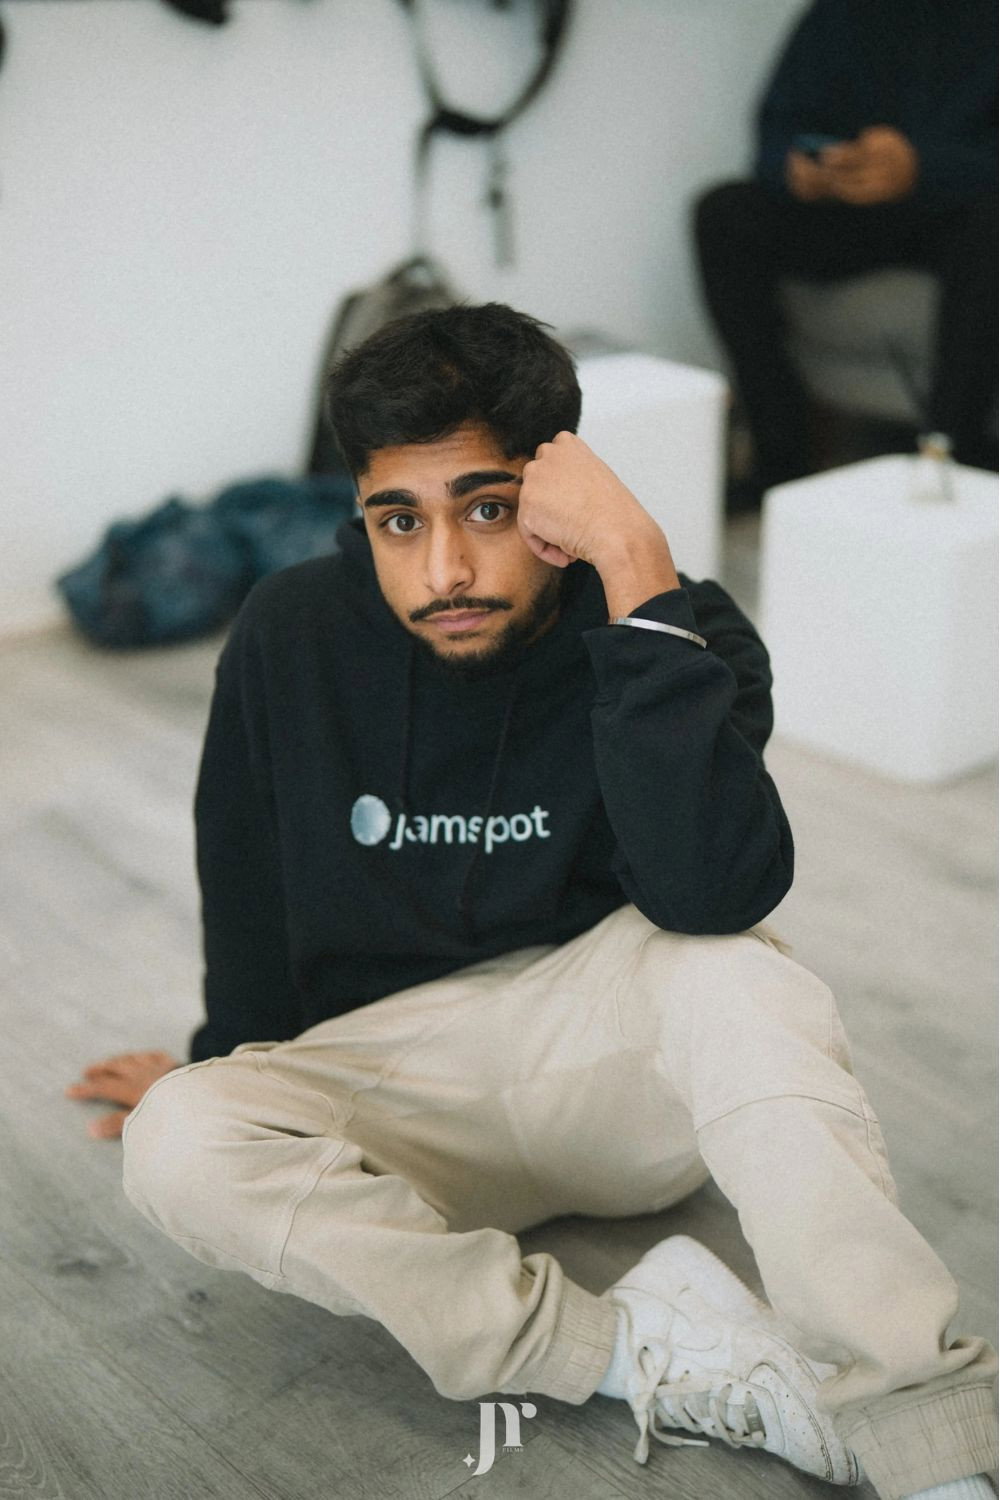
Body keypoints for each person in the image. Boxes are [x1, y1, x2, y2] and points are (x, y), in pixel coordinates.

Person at [69, 305, 996, 1498]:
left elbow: (713, 893)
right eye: (399, 520)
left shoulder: (679, 629)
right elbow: (242, 868)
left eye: (488, 509)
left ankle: (926, 1445)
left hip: (614, 1081)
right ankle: (638, 1350)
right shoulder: (291, 630)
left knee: (739, 971)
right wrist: (227, 1069)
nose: (443, 570)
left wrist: (638, 576)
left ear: (560, 492)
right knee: (177, 1137)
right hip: (405, 1099)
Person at [693, 0, 998, 513]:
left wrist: (923, 167)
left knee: (993, 222)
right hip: (848, 210)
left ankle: (951, 454)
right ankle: (781, 457)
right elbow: (776, 131)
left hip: (956, 212)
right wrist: (796, 170)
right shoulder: (838, 14)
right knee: (723, 212)